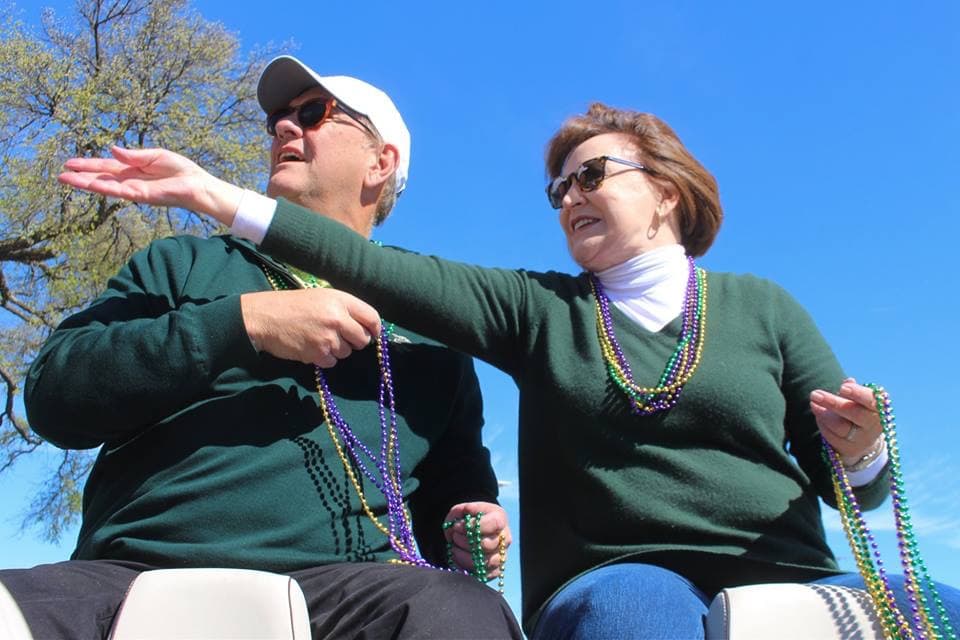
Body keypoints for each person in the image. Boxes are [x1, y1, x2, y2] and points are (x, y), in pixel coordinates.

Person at [56, 103, 960, 638]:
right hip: (622, 574)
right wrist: (216, 195)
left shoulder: (766, 306)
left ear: (669, 190)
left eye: (591, 173)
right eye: (557, 187)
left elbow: (850, 488)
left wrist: (866, 451)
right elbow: (381, 270)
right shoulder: (541, 311)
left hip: (787, 572)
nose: (568, 197)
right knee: (635, 618)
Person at [1, 55, 522, 640]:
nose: (282, 128)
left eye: (313, 112)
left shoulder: (433, 325)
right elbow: (54, 395)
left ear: (381, 162)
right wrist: (239, 325)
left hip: (351, 595)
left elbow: (459, 481)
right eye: (277, 118)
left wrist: (472, 517)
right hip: (125, 579)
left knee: (460, 613)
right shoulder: (182, 264)